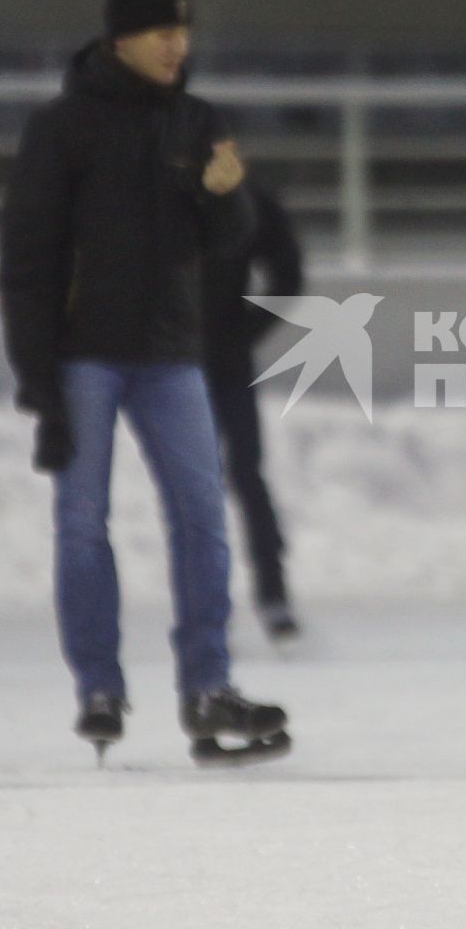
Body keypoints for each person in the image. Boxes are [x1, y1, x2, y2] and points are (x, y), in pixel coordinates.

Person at [0, 0, 290, 767]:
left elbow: (227, 244)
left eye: (184, 32)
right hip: (82, 355)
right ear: (120, 37)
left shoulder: (196, 122)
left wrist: (231, 199)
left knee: (202, 516)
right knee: (82, 523)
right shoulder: (61, 129)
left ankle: (208, 686)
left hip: (170, 355)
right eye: (162, 31)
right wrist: (38, 379)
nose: (177, 45)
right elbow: (24, 261)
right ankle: (98, 685)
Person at [201, 179, 304, 642]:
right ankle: (206, 601)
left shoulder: (245, 199)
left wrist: (240, 334)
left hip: (221, 362)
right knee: (198, 486)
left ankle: (270, 591)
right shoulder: (158, 193)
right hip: (175, 364)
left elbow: (287, 274)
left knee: (243, 474)